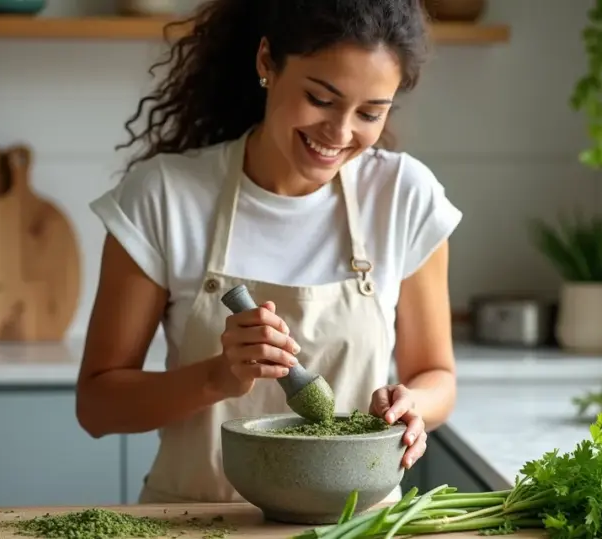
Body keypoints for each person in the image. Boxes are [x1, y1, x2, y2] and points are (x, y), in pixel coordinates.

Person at [75, 0, 462, 504]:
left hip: (353, 527)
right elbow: (98, 407)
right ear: (266, 62)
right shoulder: (164, 197)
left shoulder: (404, 197)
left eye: (370, 113)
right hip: (194, 524)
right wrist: (217, 376)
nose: (341, 133)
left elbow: (439, 378)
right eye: (321, 99)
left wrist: (413, 403)